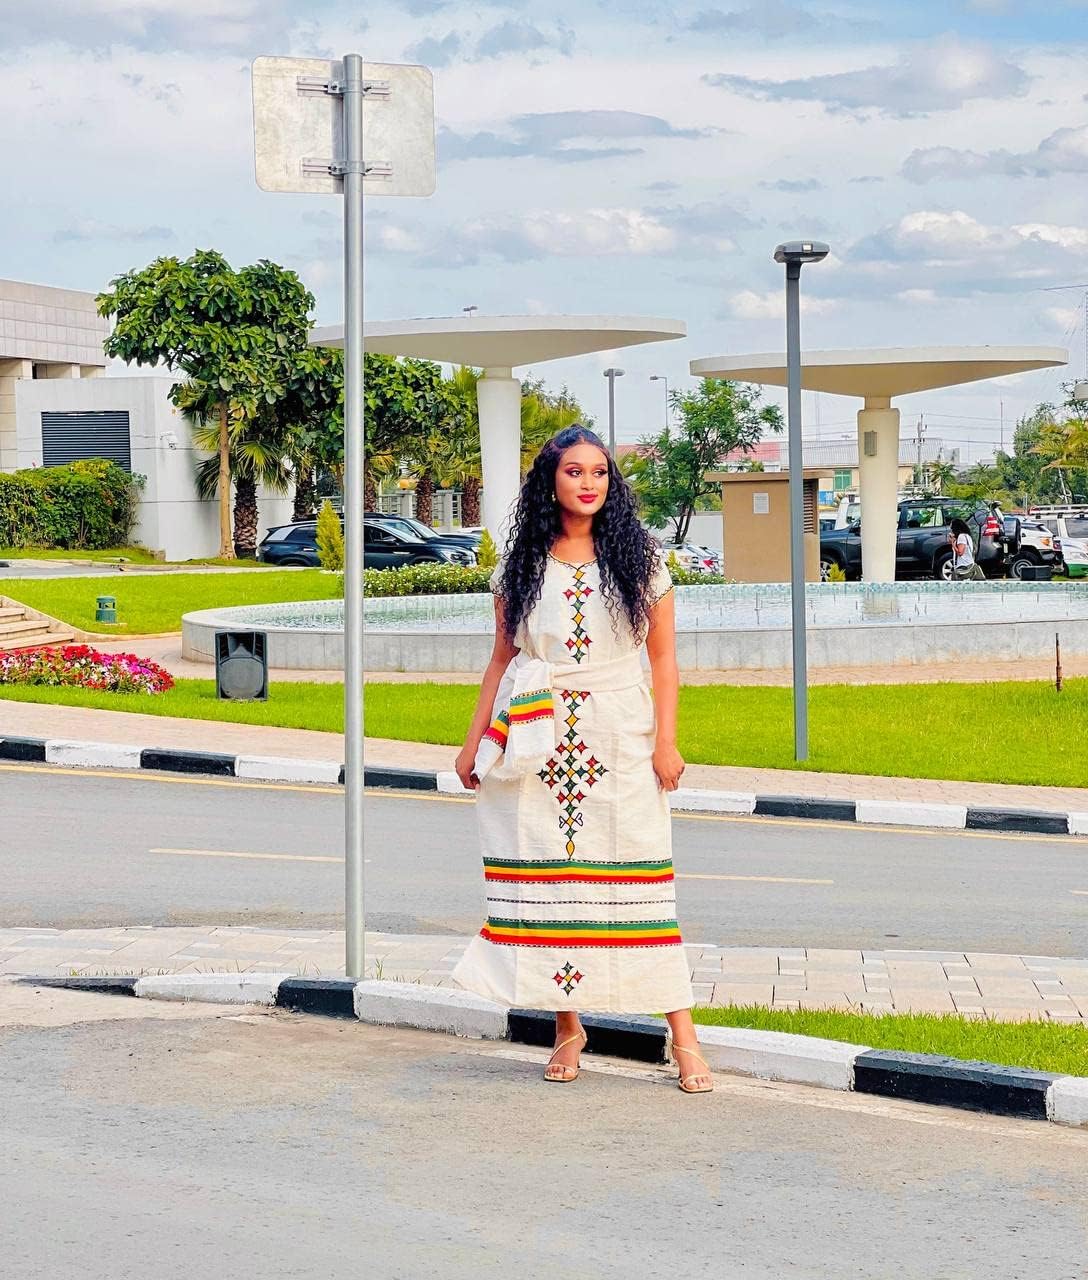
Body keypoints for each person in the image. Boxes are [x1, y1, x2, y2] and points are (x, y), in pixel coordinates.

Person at [451, 425, 712, 1094]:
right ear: (552, 481)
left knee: (642, 884)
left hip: (620, 731)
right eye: (574, 472)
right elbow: (502, 658)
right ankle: (569, 1027)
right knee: (552, 881)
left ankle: (683, 1037)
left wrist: (666, 740)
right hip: (536, 737)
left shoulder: (641, 558)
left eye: (599, 471)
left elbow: (664, 659)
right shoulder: (523, 563)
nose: (588, 483)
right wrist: (474, 737)